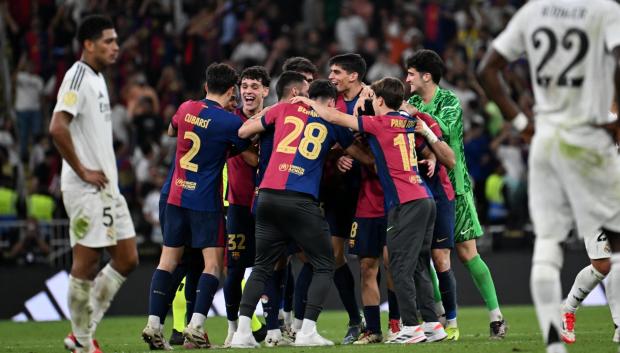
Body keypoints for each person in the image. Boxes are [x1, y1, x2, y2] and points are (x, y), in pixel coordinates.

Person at [477, 1, 620, 352]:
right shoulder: (604, 12)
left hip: (548, 141)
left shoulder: (533, 11)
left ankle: (557, 342)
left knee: (549, 246)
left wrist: (524, 125)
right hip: (587, 148)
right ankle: (574, 312)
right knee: (607, 259)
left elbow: (486, 69)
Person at [293, 77, 439, 344]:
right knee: (417, 265)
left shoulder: (379, 123)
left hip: (406, 202)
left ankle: (410, 326)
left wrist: (307, 101)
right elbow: (416, 116)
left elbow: (336, 118)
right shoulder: (405, 120)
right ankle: (432, 323)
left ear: (380, 101)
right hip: (425, 198)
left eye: (374, 97)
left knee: (400, 266)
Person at [230, 79, 372, 348]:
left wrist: (266, 117)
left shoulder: (282, 109)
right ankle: (306, 332)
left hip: (267, 196)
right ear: (330, 102)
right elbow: (356, 148)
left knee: (261, 266)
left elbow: (243, 131)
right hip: (300, 200)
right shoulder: (332, 119)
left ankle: (242, 334)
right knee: (324, 263)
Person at [142, 63, 249, 349]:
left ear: (205, 87)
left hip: (175, 196)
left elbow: (170, 131)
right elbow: (248, 154)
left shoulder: (186, 107)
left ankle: (154, 325)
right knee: (213, 265)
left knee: (168, 261)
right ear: (231, 91)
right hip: (205, 201)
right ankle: (197, 327)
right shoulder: (230, 123)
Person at [48, 15, 139, 353]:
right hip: (86, 188)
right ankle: (82, 340)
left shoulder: (98, 79)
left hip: (107, 187)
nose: (116, 47)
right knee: (85, 263)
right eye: (108, 41)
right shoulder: (77, 77)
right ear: (88, 44)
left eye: (116, 41)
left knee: (128, 257)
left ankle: (82, 333)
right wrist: (84, 170)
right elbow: (57, 127)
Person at [406, 49, 507, 339]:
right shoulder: (411, 102)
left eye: (412, 73)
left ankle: (496, 316)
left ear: (427, 75)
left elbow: (447, 132)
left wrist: (419, 119)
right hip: (424, 186)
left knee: (467, 253)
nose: (407, 78)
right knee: (432, 255)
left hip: (456, 187)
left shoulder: (450, 101)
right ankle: (441, 317)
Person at [223, 66, 271, 346]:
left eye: (255, 86)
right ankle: (232, 329)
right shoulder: (231, 123)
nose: (248, 91)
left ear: (266, 91)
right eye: (245, 86)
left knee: (276, 266)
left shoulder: (276, 119)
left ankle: (279, 326)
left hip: (269, 203)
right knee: (236, 269)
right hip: (239, 205)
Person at [324, 53, 367, 343]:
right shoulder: (331, 103)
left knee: (370, 259)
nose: (331, 77)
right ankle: (356, 319)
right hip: (339, 192)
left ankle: (390, 320)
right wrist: (338, 156)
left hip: (370, 190)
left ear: (353, 76)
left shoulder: (372, 99)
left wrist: (350, 151)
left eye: (337, 72)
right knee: (334, 255)